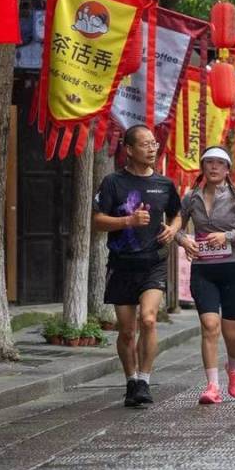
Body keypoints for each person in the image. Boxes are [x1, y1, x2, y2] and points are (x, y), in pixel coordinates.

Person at [92, 124, 182, 408]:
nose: (152, 148)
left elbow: (178, 214)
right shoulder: (112, 183)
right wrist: (127, 222)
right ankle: (130, 380)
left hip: (153, 263)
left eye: (154, 143)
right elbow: (96, 221)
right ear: (128, 150)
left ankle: (144, 379)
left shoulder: (165, 184)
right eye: (145, 144)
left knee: (149, 319)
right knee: (128, 330)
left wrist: (173, 230)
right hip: (122, 264)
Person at [176, 146, 235, 404]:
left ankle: (233, 368)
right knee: (209, 327)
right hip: (203, 271)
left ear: (227, 169)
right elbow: (175, 227)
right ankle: (212, 386)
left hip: (234, 269)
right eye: (209, 163)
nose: (213, 168)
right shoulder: (191, 198)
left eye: (219, 164)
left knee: (230, 333)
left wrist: (227, 236)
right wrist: (183, 241)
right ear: (202, 168)